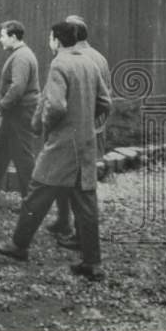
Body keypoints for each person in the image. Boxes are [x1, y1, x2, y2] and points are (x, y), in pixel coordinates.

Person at [0, 21, 112, 281]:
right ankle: (93, 262)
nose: (49, 41)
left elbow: (55, 106)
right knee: (86, 203)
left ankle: (19, 246)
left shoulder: (59, 64)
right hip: (85, 143)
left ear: (56, 40)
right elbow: (104, 102)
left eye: (50, 37)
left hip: (62, 145)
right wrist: (85, 122)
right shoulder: (89, 62)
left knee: (37, 193)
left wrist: (48, 127)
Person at [49, 14, 111, 245]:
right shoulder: (99, 58)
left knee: (73, 183)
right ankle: (72, 227)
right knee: (85, 185)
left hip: (74, 132)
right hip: (95, 128)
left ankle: (73, 229)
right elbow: (107, 96)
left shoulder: (72, 58)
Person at [0, 20, 40, 201]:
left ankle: (32, 199)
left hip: (21, 113)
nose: (0, 40)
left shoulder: (21, 57)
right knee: (1, 149)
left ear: (13, 37)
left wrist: (0, 108)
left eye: (2, 36)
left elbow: (18, 87)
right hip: (16, 112)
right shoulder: (20, 54)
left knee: (23, 156)